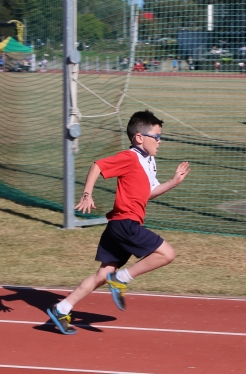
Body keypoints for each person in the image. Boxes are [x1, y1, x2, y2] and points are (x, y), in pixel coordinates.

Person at [45, 110, 190, 335]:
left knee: (102, 275)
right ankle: (122, 278)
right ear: (140, 137)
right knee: (167, 254)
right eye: (157, 137)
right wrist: (86, 194)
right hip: (125, 223)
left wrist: (173, 182)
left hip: (119, 226)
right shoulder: (130, 156)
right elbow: (98, 166)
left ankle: (62, 308)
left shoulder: (149, 162)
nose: (160, 142)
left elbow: (149, 192)